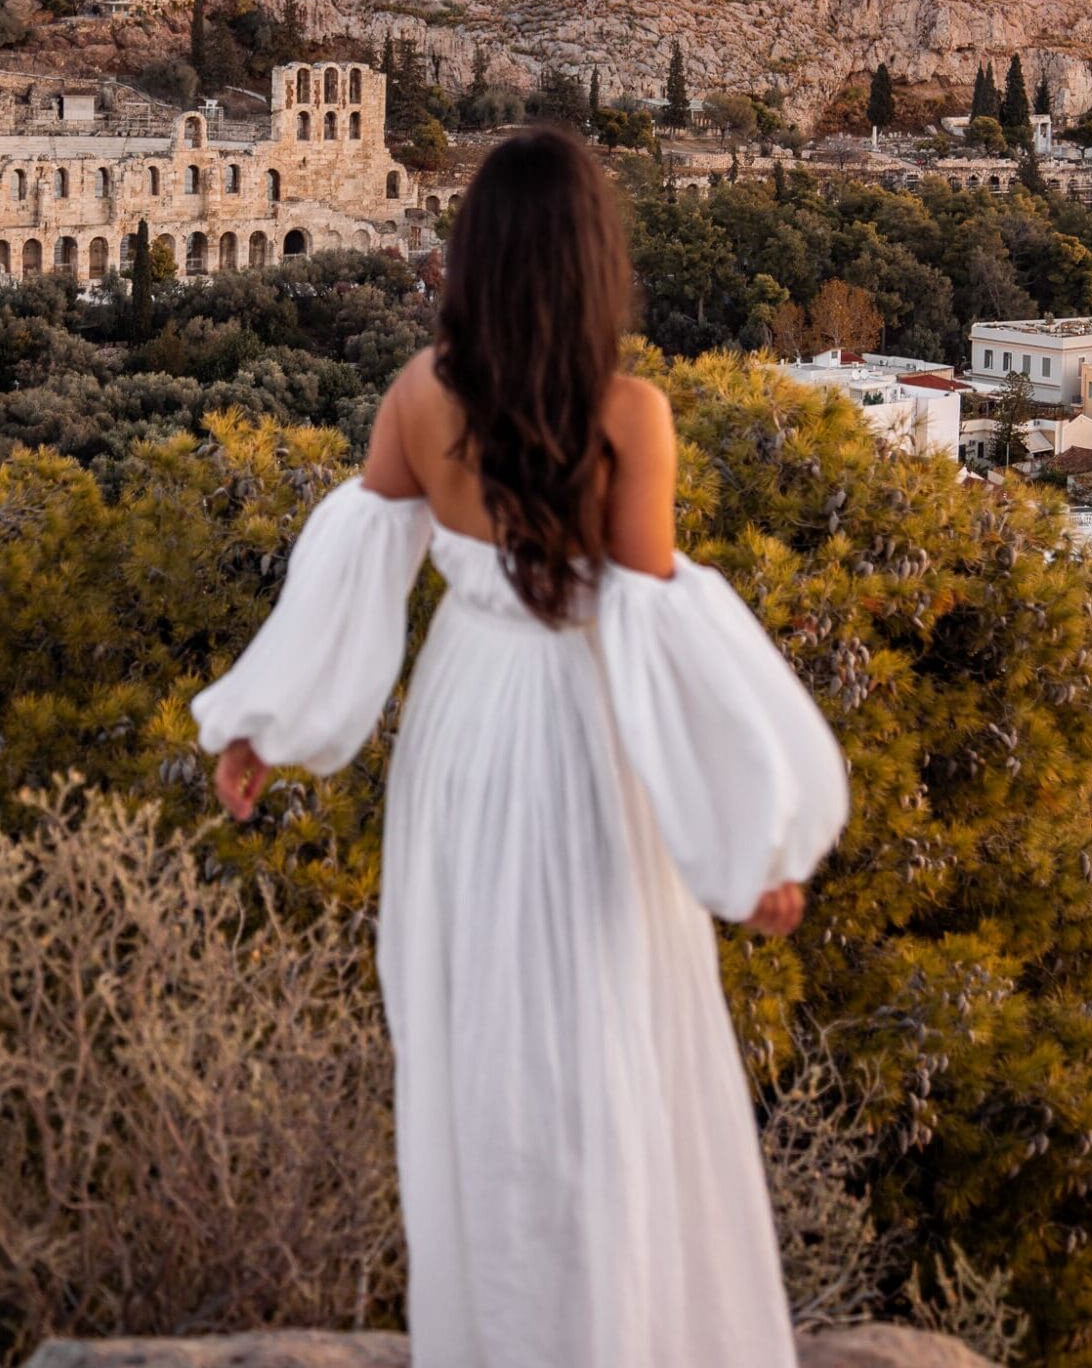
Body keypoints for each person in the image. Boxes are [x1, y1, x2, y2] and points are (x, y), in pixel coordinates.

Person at [193, 126, 849, 1368]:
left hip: (463, 735)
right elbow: (660, 639)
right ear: (594, 263)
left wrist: (258, 727)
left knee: (479, 1039)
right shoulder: (629, 417)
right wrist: (749, 843)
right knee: (605, 1026)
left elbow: (349, 575)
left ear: (474, 259)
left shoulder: (419, 396)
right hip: (583, 738)